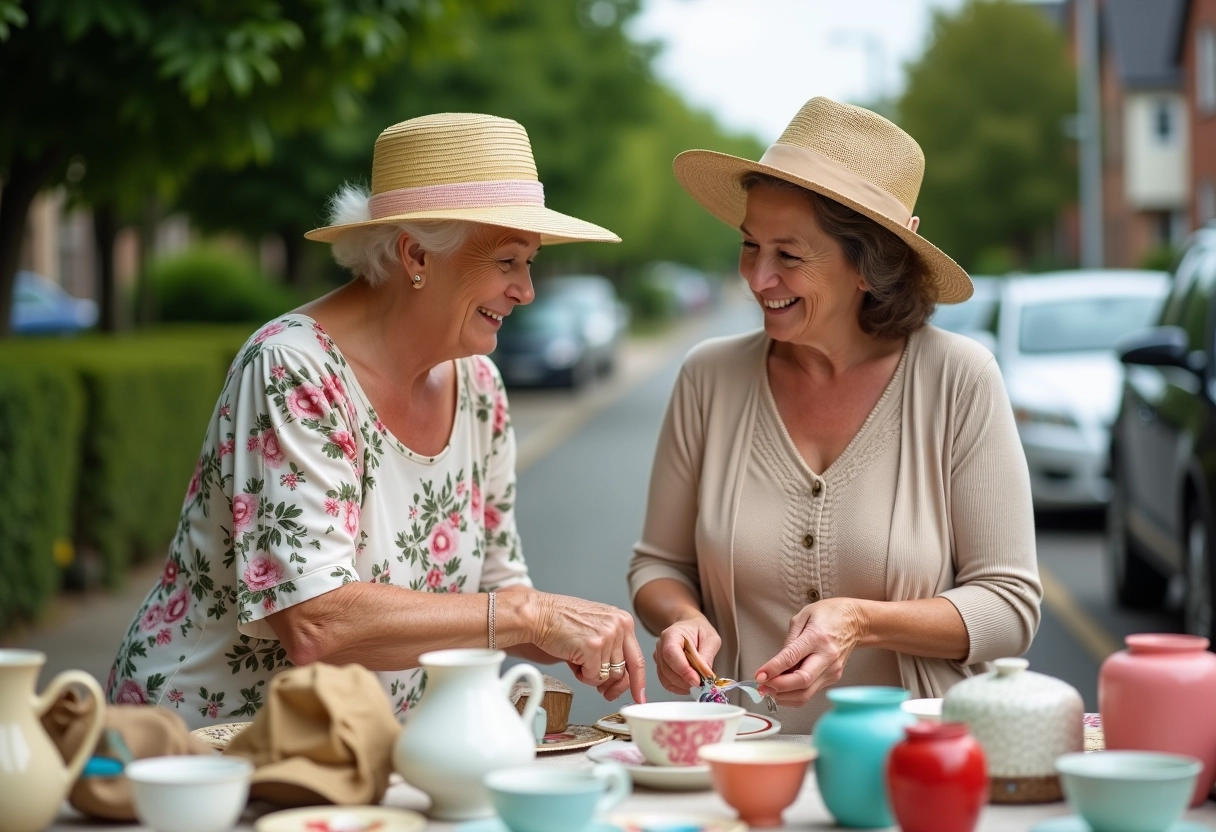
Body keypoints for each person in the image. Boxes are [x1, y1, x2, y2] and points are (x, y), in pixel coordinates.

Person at [108, 113, 646, 728]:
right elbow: (316, 621)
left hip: (363, 747)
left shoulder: (478, 386)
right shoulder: (293, 367)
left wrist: (581, 632)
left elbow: (497, 591)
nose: (526, 290)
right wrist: (536, 618)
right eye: (507, 261)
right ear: (416, 253)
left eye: (530, 263)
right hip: (206, 746)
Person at [628, 97, 1041, 733]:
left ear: (869, 266)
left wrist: (862, 621)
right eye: (749, 246)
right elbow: (658, 564)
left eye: (788, 256)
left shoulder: (959, 380)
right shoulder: (708, 377)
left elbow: (1010, 608)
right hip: (742, 765)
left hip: (914, 768)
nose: (758, 277)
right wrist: (682, 616)